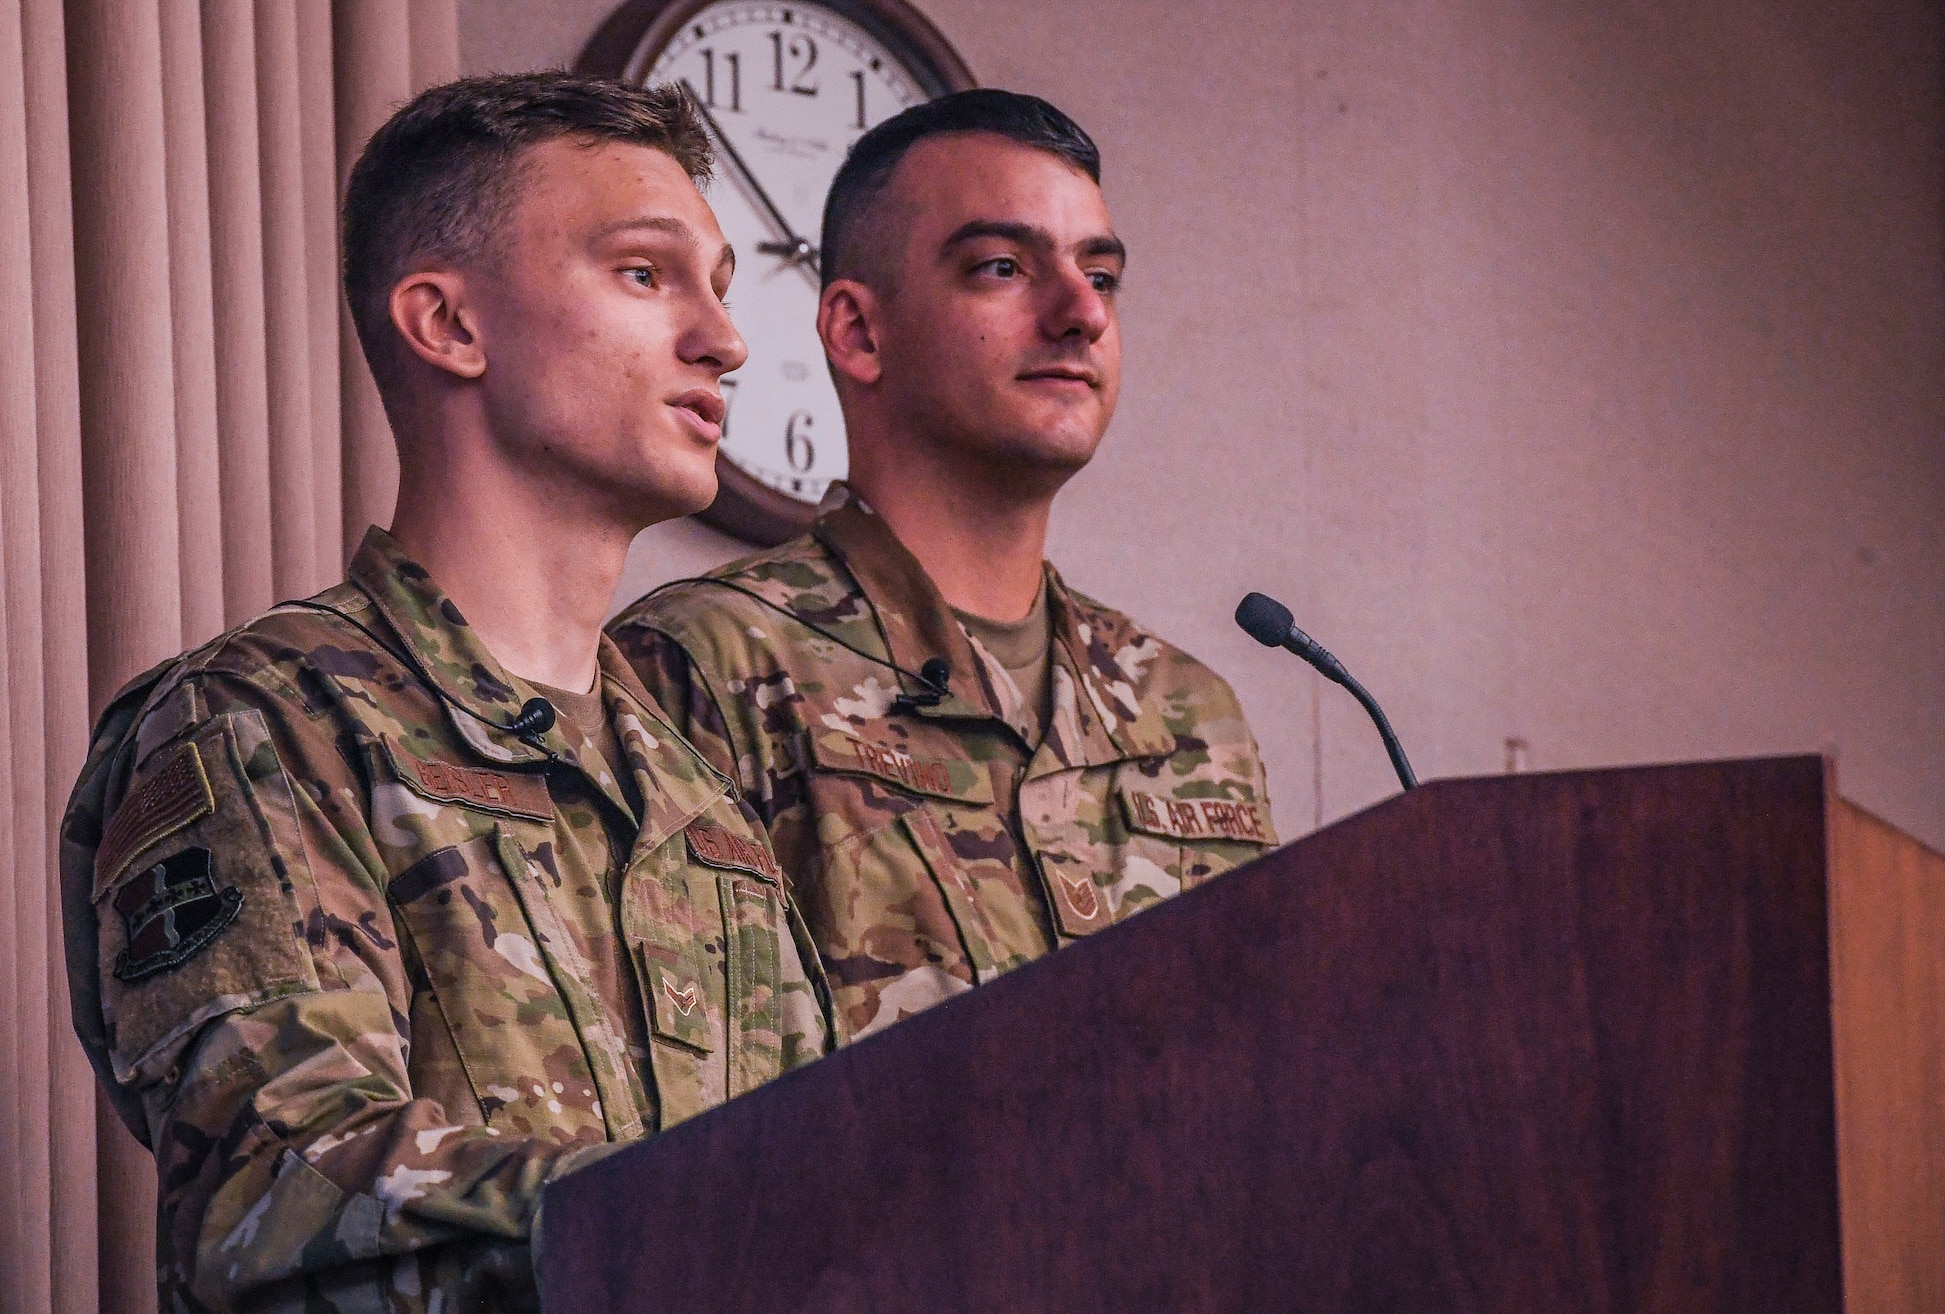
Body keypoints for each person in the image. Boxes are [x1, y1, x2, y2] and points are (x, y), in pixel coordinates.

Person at [60, 72, 830, 1313]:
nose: (724, 340)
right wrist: (708, 1206)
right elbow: (281, 1190)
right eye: (645, 275)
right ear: (449, 325)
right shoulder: (266, 720)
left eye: (721, 289)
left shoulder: (703, 802)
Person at [610, 90, 1277, 1046]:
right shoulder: (703, 669)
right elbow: (686, 1123)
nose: (1081, 313)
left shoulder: (1192, 713)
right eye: (1002, 267)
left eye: (1103, 274)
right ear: (858, 333)